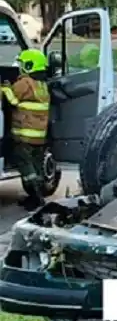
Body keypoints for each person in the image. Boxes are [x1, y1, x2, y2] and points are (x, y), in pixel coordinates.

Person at [3, 49, 51, 210]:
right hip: (39, 136)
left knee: (24, 163)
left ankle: (36, 198)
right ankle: (36, 196)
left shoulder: (25, 83)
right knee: (36, 166)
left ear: (29, 65)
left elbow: (13, 99)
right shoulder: (42, 85)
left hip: (24, 135)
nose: (20, 67)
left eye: (23, 64)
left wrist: (4, 87)